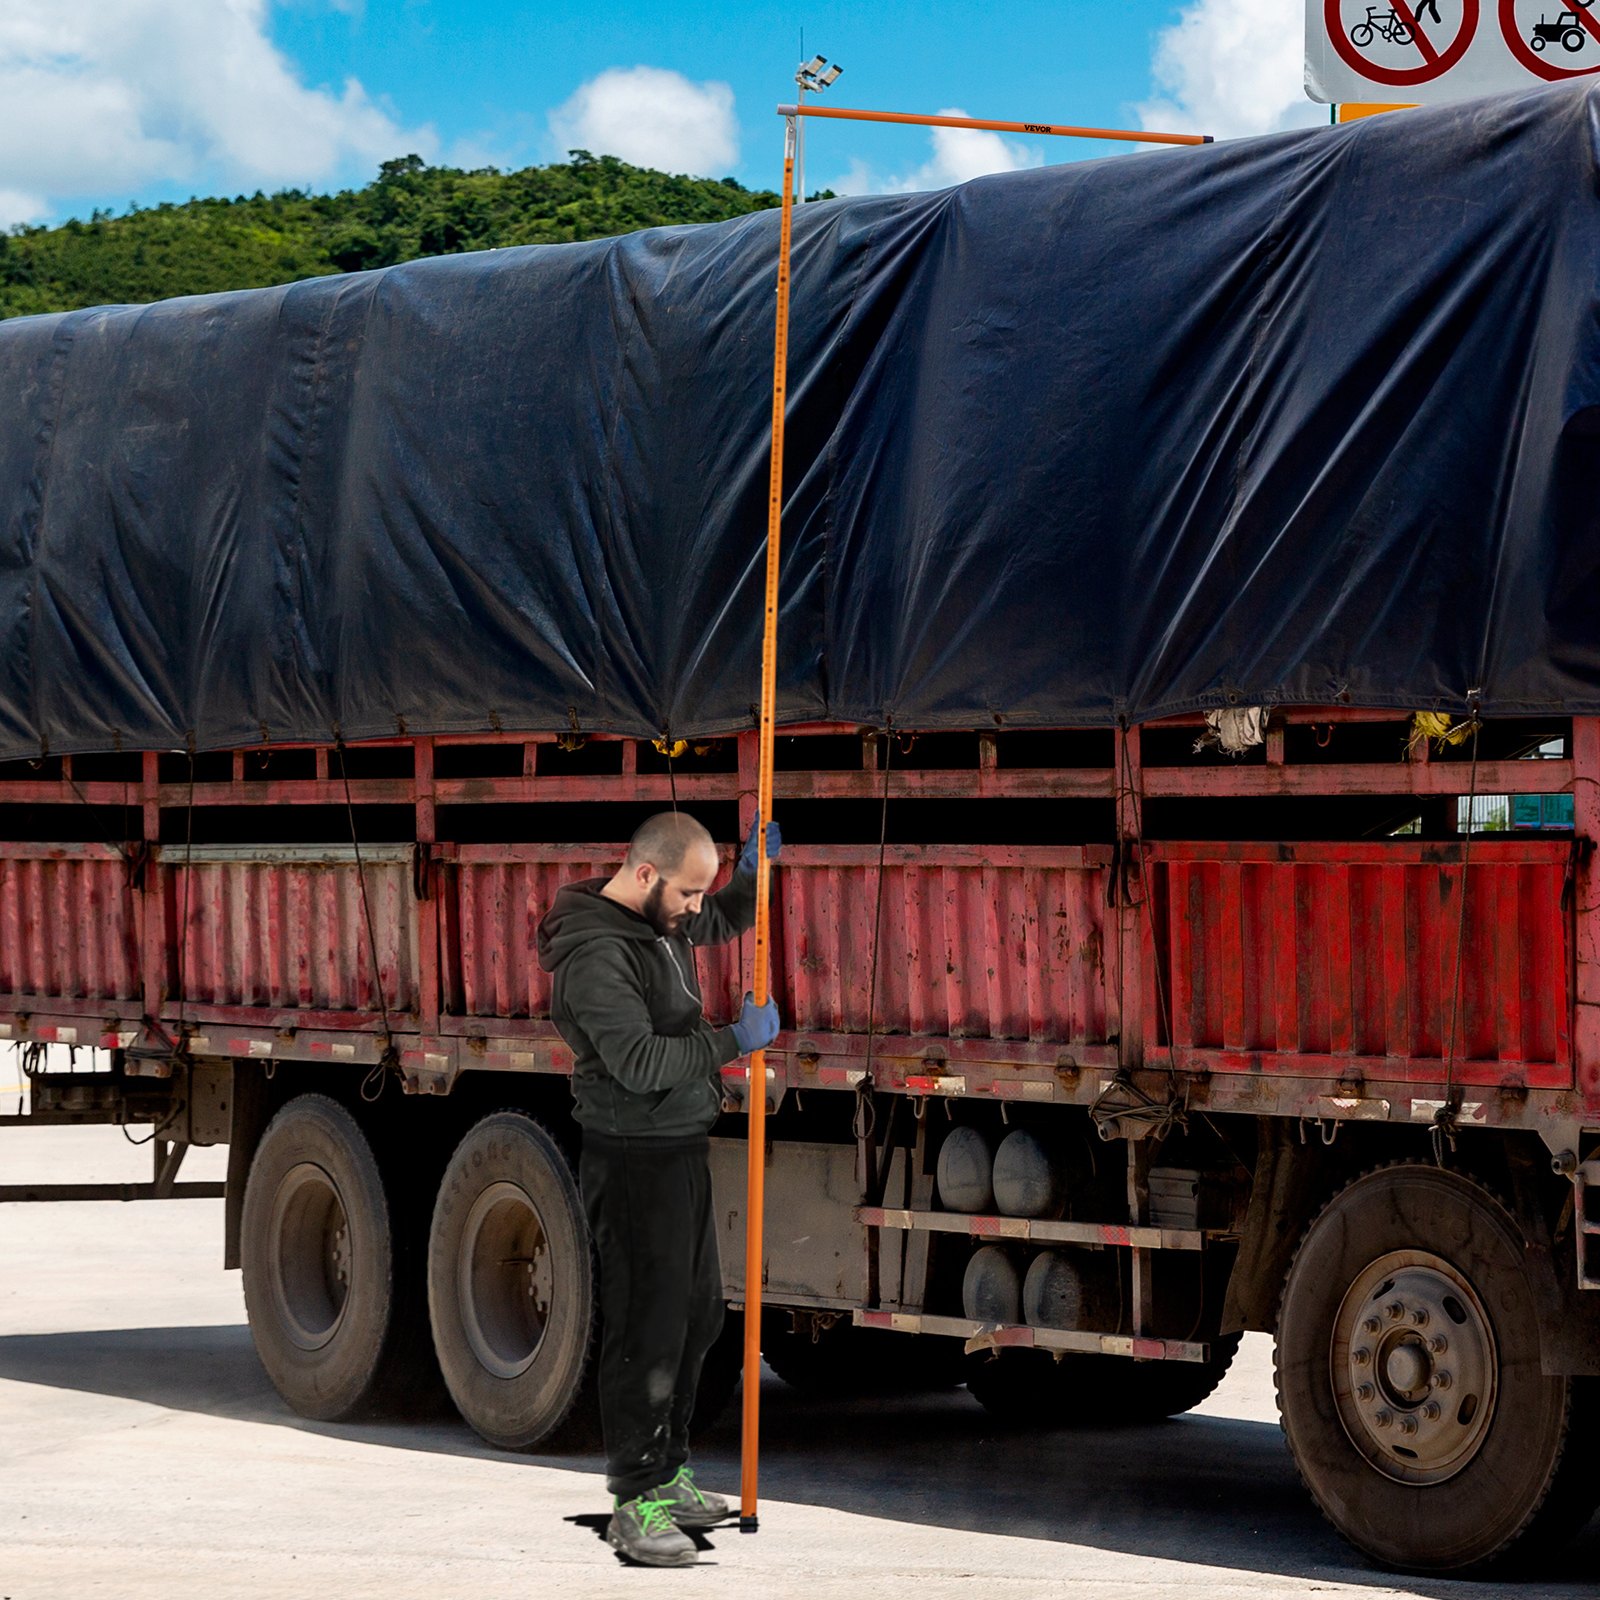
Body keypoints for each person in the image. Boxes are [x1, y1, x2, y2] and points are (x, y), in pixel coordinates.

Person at [536, 811, 782, 1567]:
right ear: (645, 875)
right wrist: (730, 1044)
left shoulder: (655, 920)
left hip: (678, 1143)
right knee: (647, 1329)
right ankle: (635, 1500)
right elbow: (640, 1062)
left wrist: (750, 877)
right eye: (687, 893)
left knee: (698, 1313)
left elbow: (717, 923)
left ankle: (669, 1474)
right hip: (632, 1156)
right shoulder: (596, 954)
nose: (695, 910)